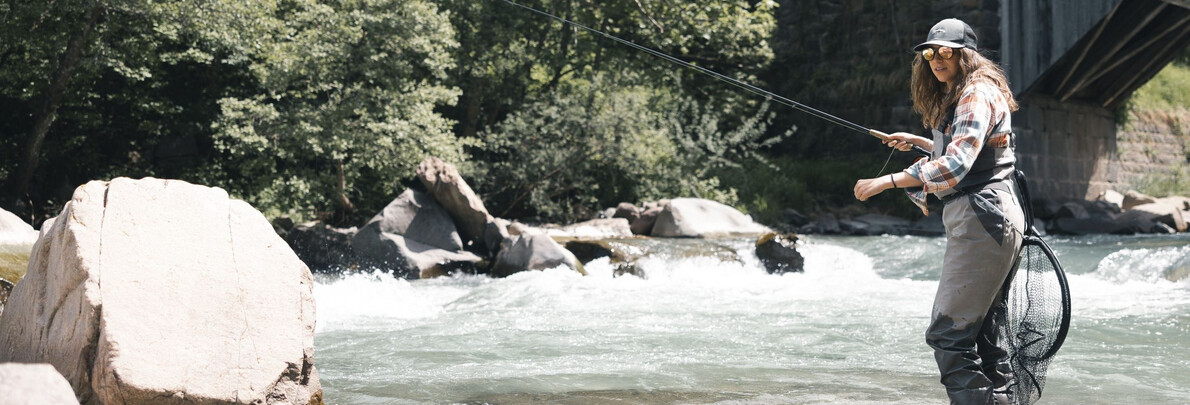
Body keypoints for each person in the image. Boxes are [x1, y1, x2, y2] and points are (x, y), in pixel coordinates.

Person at [852, 18, 1026, 405]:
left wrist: (888, 181)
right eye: (929, 52)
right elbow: (972, 148)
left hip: (983, 218)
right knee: (983, 333)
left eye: (946, 51)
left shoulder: (975, 93)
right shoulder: (972, 92)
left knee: (949, 335)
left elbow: (957, 163)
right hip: (992, 216)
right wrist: (919, 142)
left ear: (966, 55)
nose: (935, 58)